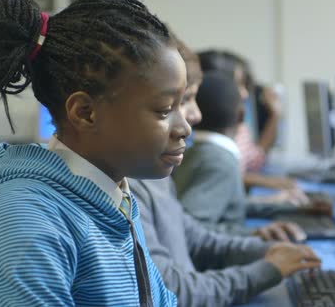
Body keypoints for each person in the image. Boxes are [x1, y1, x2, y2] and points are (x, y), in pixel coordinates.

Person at [0, 0, 187, 306]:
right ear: (85, 113)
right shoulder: (23, 220)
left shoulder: (114, 197)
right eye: (165, 110)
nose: (185, 128)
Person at [130, 36, 321, 306]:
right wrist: (266, 270)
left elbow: (194, 237)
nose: (192, 119)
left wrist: (266, 250)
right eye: (167, 108)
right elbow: (173, 292)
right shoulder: (134, 185)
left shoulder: (154, 173)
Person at [197, 50, 310, 207]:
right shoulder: (198, 136)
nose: (244, 94)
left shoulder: (238, 126)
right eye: (238, 84)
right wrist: (266, 186)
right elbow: (217, 173)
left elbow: (255, 159)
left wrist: (275, 115)